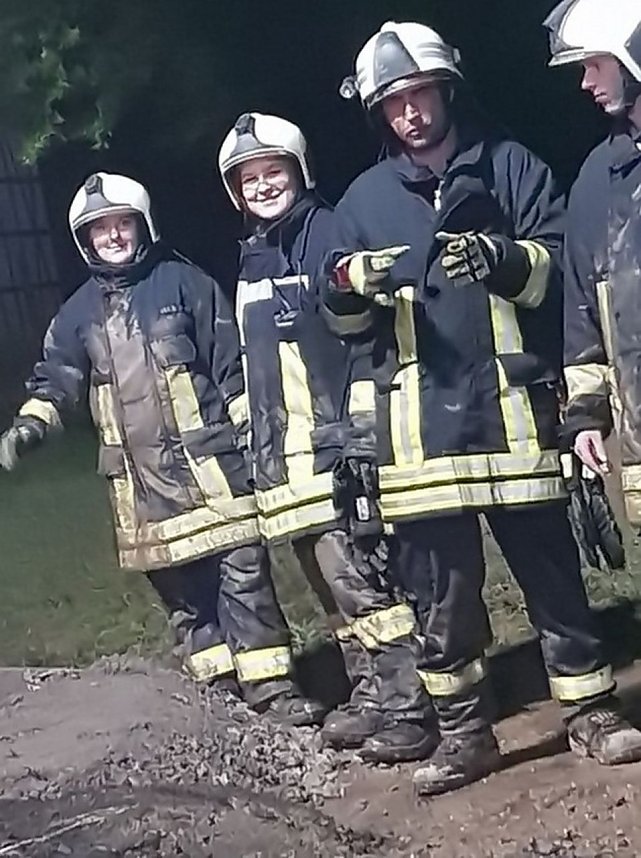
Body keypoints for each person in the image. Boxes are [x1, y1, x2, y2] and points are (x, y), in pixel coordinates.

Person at [322, 20, 641, 795]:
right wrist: (350, 284)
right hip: (420, 438)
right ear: (380, 115)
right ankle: (466, 734)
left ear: (444, 90)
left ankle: (590, 713)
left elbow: (561, 274)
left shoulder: (512, 167)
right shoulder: (360, 200)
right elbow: (338, 320)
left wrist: (505, 259)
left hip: (514, 423)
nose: (409, 115)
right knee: (440, 596)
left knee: (553, 579)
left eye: (418, 95)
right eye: (393, 105)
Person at [0, 171, 324, 726]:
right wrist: (28, 429)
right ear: (86, 240)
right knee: (187, 600)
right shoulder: (76, 315)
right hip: (140, 491)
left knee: (243, 579)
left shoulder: (186, 284)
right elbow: (54, 383)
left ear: (142, 225)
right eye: (100, 230)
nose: (114, 237)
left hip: (213, 474)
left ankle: (274, 693)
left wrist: (257, 440)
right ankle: (219, 698)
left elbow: (231, 368)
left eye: (122, 224)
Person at [217, 112, 435, 762]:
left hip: (334, 449)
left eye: (272, 172)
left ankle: (409, 708)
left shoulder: (324, 234)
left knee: (366, 586)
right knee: (331, 593)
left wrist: (358, 441)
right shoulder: (254, 254)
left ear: (299, 171)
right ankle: (369, 694)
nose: (261, 186)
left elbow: (359, 339)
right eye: (248, 179)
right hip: (286, 463)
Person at [543, 0, 641, 527]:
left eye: (595, 64)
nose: (586, 82)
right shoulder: (598, 180)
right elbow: (584, 311)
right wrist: (585, 415)